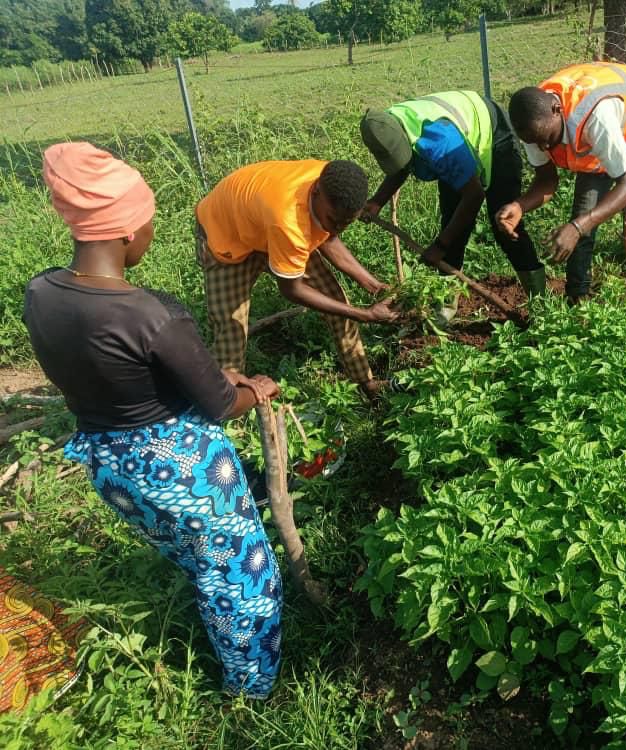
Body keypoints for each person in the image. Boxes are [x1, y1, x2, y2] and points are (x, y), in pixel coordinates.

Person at [23, 142, 283, 699]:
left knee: (193, 556)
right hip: (180, 472)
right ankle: (252, 690)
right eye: (147, 224)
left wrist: (214, 376)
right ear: (121, 231)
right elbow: (218, 405)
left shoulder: (41, 293)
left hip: (109, 467)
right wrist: (253, 388)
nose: (151, 235)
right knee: (241, 582)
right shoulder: (155, 315)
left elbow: (123, 374)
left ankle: (220, 629)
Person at [498, 62, 626, 303]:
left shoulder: (592, 118)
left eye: (548, 139)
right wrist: (520, 206)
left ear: (557, 109)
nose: (545, 148)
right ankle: (576, 304)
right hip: (598, 141)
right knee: (582, 219)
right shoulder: (533, 126)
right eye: (537, 143)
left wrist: (577, 227)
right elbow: (547, 180)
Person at [195, 159, 398, 401]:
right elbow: (292, 289)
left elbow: (328, 236)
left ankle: (367, 383)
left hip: (264, 221)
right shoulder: (289, 221)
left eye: (347, 223)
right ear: (315, 192)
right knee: (231, 328)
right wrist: (364, 314)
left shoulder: (332, 180)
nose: (338, 229)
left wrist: (375, 287)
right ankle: (227, 405)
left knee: (335, 301)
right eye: (334, 220)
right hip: (227, 234)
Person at [360, 90, 547, 325]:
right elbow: (401, 163)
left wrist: (439, 246)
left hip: (493, 134)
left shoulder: (437, 142)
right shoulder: (386, 126)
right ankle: (446, 306)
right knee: (451, 223)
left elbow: (473, 195)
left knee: (504, 224)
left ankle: (540, 301)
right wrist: (377, 202)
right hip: (456, 142)